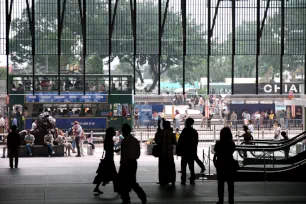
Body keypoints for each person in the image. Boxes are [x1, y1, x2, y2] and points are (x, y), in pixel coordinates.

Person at [119, 124, 147, 204]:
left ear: (125, 131)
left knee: (124, 181)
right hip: (133, 162)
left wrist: (122, 163)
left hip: (126, 163)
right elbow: (137, 153)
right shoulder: (135, 140)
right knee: (132, 181)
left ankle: (126, 199)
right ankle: (141, 195)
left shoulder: (125, 141)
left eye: (122, 131)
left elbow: (124, 154)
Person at [213, 127, 236, 204]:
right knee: (230, 184)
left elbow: (216, 150)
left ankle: (221, 200)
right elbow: (232, 150)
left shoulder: (219, 143)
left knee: (220, 184)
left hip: (221, 164)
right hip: (230, 163)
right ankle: (231, 200)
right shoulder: (231, 143)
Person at [93, 127, 119, 195]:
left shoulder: (107, 139)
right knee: (114, 175)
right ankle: (117, 189)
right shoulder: (109, 140)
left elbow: (107, 149)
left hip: (107, 158)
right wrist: (115, 150)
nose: (114, 132)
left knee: (102, 174)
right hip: (109, 159)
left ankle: (97, 187)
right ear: (111, 132)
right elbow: (109, 149)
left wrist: (114, 150)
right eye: (113, 131)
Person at [154, 121, 177, 187]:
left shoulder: (160, 133)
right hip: (169, 154)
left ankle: (162, 181)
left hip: (162, 154)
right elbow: (175, 142)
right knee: (171, 168)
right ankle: (172, 180)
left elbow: (156, 141)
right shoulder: (171, 134)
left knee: (162, 168)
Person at [176, 118, 198, 185]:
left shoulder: (184, 131)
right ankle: (192, 180)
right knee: (191, 167)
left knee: (183, 167)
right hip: (191, 152)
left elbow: (180, 141)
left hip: (184, 152)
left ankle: (183, 180)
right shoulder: (194, 131)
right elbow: (196, 143)